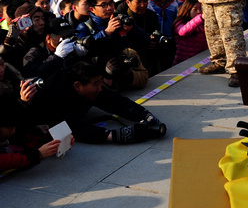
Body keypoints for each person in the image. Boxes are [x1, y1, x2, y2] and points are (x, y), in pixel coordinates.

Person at [27, 60, 165, 145]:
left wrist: (146, 116)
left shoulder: (91, 86)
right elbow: (72, 127)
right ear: (77, 86)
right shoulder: (55, 94)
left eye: (100, 83)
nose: (100, 88)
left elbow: (115, 101)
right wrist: (113, 136)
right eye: (96, 84)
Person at [173, 0, 207, 65]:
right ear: (187, 9)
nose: (199, 12)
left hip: (200, 60)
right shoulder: (180, 23)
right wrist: (200, 18)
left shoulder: (202, 24)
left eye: (200, 9)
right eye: (195, 9)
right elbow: (182, 32)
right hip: (184, 63)